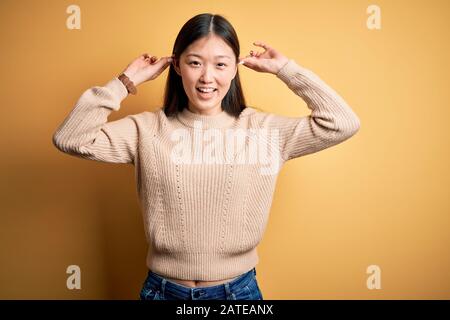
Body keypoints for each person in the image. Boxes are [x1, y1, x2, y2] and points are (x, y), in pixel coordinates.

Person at [52, 13, 360, 300]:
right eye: (195, 62)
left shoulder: (265, 131)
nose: (206, 77)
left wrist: (286, 70)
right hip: (162, 290)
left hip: (238, 293)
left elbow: (342, 123)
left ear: (236, 68)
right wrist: (124, 83)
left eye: (221, 64)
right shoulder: (145, 129)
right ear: (176, 65)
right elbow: (70, 138)